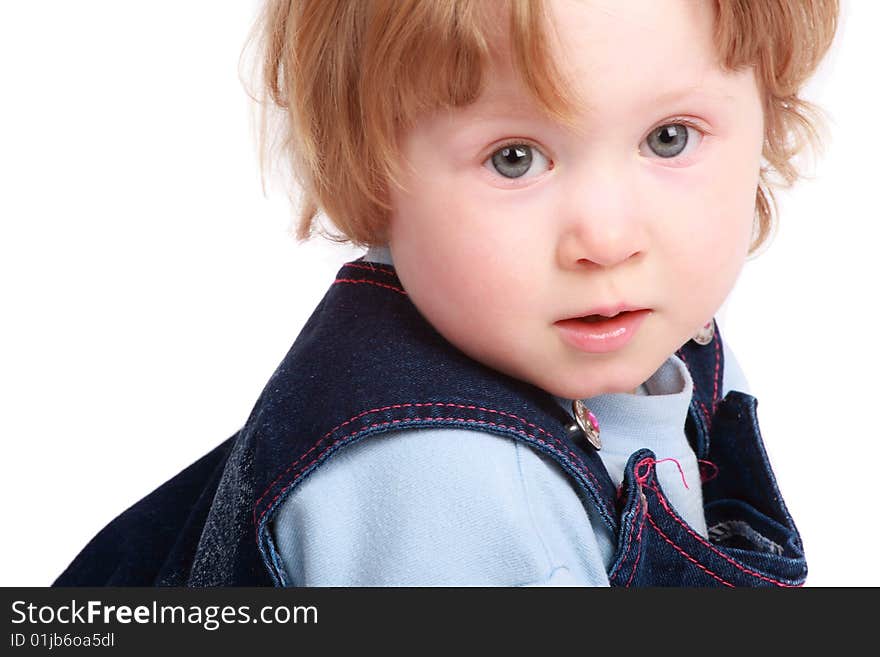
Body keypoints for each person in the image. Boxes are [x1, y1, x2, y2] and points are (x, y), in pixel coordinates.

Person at [53, 0, 839, 587]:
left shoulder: (667, 344)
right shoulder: (447, 482)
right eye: (515, 158)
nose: (606, 238)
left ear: (767, 120)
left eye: (669, 137)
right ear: (374, 170)